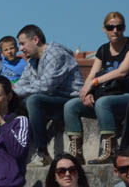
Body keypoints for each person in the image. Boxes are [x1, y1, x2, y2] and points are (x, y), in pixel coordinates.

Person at [66, 12, 129, 163]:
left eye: (119, 27)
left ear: (124, 28)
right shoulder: (103, 50)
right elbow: (92, 74)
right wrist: (86, 92)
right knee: (71, 106)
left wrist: (95, 82)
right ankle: (76, 154)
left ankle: (109, 151)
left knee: (103, 103)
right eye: (110, 27)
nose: (115, 30)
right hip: (107, 94)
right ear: (104, 29)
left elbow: (123, 71)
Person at [11, 24, 84, 166]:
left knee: (33, 100)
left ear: (35, 40)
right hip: (50, 99)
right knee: (14, 102)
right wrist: (7, 95)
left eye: (22, 43)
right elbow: (22, 84)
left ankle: (42, 152)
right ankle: (14, 151)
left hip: (68, 99)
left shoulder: (55, 54)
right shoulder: (32, 61)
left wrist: (14, 92)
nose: (20, 48)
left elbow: (46, 86)